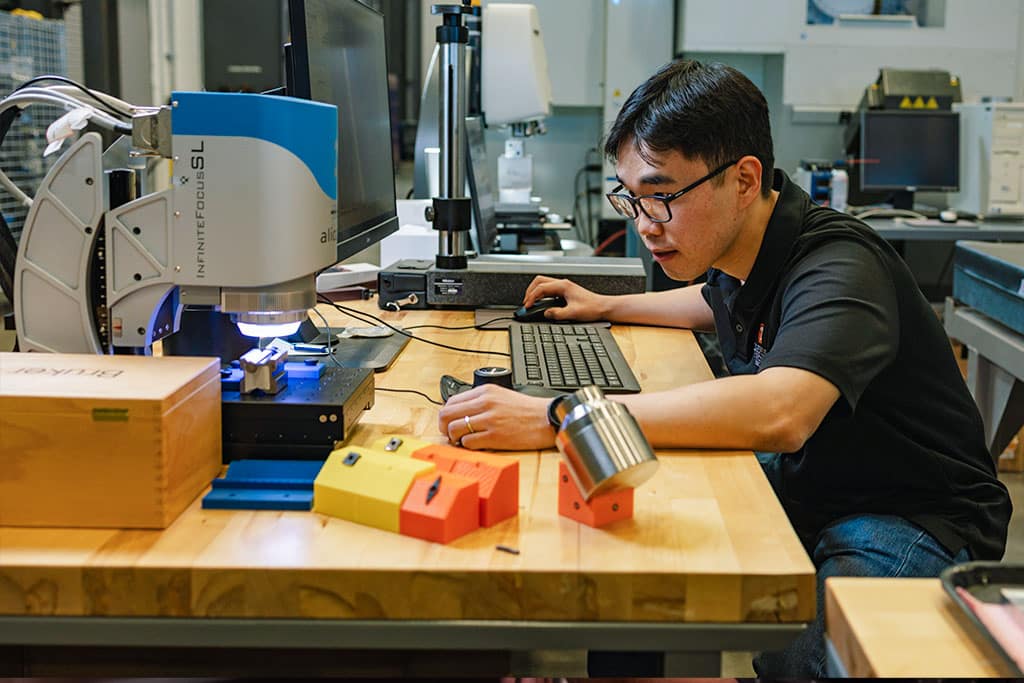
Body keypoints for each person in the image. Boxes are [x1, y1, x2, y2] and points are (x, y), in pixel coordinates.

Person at [438, 58, 1012, 678]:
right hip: (819, 477)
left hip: (909, 512)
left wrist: (563, 415)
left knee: (813, 659)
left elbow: (781, 412)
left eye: (662, 198)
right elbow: (716, 299)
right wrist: (607, 304)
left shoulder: (841, 264)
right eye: (633, 198)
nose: (645, 225)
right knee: (643, 534)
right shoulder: (747, 249)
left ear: (743, 179)